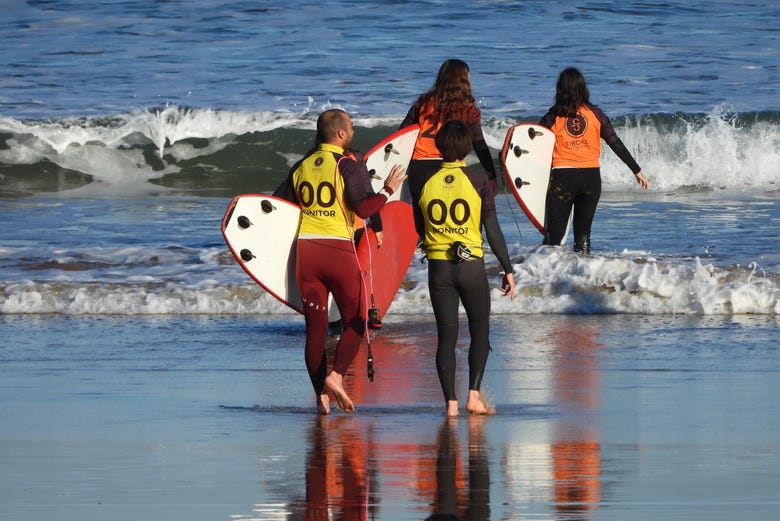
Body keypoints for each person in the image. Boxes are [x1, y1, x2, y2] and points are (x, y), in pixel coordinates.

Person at [275, 109, 406, 414]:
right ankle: (335, 376)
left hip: (306, 257)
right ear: (341, 134)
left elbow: (280, 207)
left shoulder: (302, 166)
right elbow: (363, 209)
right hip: (338, 253)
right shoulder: (347, 164)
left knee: (316, 332)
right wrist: (388, 189)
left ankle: (321, 397)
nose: (354, 133)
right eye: (351, 128)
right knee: (359, 322)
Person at [415, 120, 515, 417]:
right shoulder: (478, 181)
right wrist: (507, 268)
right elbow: (493, 230)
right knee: (479, 330)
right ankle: (473, 395)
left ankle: (451, 405)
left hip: (439, 269)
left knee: (446, 335)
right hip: (470, 265)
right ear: (467, 148)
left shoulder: (424, 183)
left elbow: (419, 227)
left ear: (439, 147)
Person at [539, 67, 649, 253]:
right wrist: (636, 170)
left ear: (560, 89)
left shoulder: (552, 117)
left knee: (554, 237)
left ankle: (543, 276)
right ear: (583, 89)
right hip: (590, 179)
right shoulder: (596, 114)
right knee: (583, 236)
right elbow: (615, 143)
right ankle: (582, 277)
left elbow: (534, 145)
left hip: (563, 178)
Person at [399, 59, 498, 205]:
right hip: (449, 167)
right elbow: (479, 145)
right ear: (464, 80)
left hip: (419, 169)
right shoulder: (467, 110)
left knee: (421, 223)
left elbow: (401, 135)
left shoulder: (422, 104)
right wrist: (492, 176)